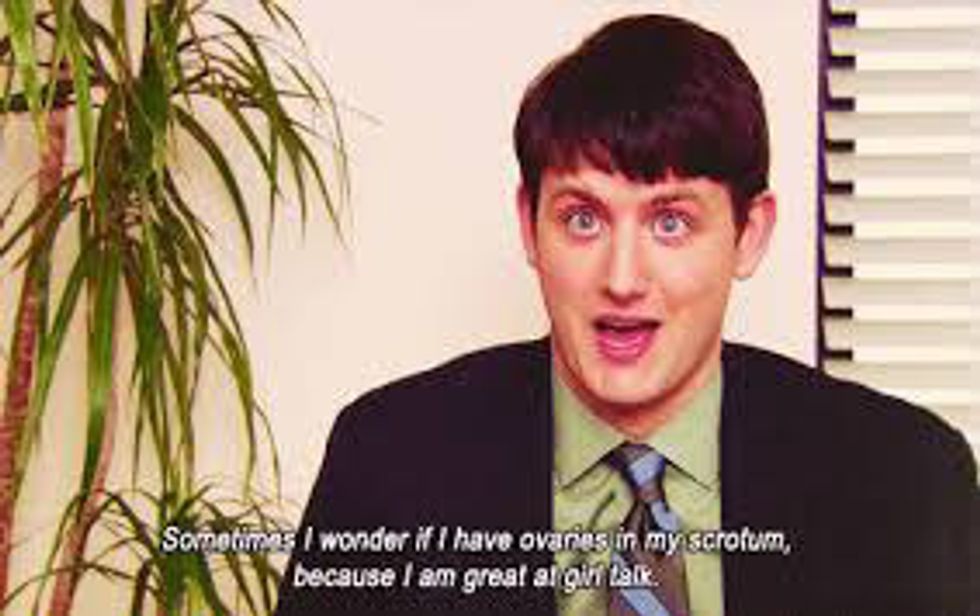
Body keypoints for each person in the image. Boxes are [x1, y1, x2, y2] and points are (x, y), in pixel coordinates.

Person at [274, 13, 976, 616]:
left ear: (750, 235)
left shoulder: (902, 478)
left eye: (671, 222)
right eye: (582, 219)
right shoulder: (387, 461)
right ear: (529, 226)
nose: (622, 279)